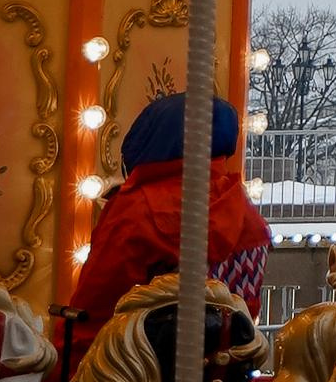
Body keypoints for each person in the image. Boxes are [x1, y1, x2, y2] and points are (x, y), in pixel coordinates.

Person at [67, 91, 269, 363]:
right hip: (224, 374)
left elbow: (96, 308)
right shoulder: (248, 216)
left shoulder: (136, 209)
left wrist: (63, 367)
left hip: (136, 372)